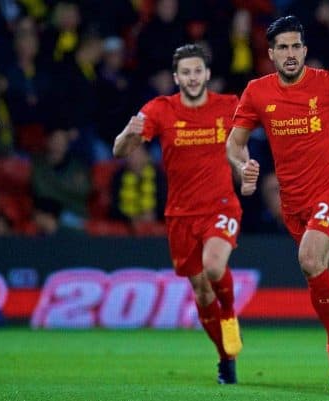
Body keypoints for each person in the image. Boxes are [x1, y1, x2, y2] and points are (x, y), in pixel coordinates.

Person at [226, 16, 329, 388]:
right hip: (293, 201)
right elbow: (233, 144)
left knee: (308, 258)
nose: (290, 54)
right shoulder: (257, 92)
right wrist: (243, 167)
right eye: (282, 47)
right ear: (270, 54)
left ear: (305, 50)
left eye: (296, 46)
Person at [113, 44, 243, 384]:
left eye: (197, 70)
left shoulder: (228, 106)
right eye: (185, 72)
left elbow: (265, 123)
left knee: (215, 266)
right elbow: (119, 150)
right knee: (201, 291)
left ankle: (229, 316)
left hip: (221, 205)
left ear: (207, 74)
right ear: (176, 77)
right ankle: (225, 357)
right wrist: (128, 133)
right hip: (181, 215)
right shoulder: (160, 110)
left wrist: (246, 164)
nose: (192, 77)